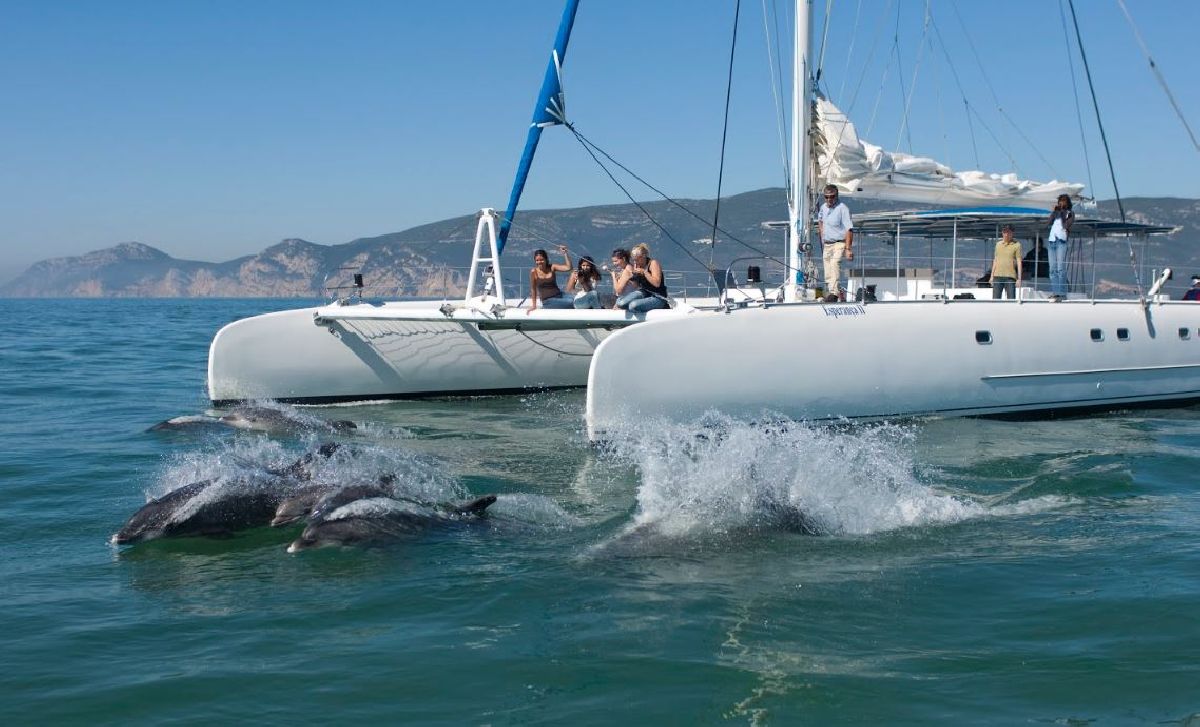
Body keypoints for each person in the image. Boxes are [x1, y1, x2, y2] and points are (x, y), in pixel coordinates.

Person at [817, 184, 854, 300]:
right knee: (827, 269)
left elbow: (849, 229)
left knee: (834, 264)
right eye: (826, 197)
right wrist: (822, 234)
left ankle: (834, 293)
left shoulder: (843, 208)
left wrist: (848, 249)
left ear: (836, 196)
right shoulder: (823, 207)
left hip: (839, 242)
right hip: (827, 243)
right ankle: (830, 290)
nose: (829, 199)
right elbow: (820, 220)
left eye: (832, 197)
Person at [614, 243, 670, 313]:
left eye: (636, 260)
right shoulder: (637, 266)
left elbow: (657, 283)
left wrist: (645, 272)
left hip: (657, 296)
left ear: (643, 256)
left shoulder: (653, 263)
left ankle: (658, 306)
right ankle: (626, 304)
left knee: (633, 305)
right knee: (620, 303)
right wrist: (632, 277)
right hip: (644, 293)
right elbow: (636, 286)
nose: (635, 262)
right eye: (634, 260)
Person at [528, 245, 574, 312]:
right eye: (537, 260)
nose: (539, 262)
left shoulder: (552, 267)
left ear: (546, 259)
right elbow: (533, 289)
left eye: (541, 260)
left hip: (560, 295)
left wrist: (565, 253)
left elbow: (569, 268)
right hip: (548, 301)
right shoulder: (533, 272)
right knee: (570, 302)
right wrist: (534, 306)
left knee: (575, 299)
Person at [1047, 194, 1074, 296]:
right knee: (1052, 269)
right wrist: (1054, 212)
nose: (1061, 203)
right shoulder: (1056, 213)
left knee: (1060, 268)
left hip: (1061, 242)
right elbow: (1049, 222)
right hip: (1052, 241)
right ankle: (1056, 292)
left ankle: (1062, 293)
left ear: (1067, 203)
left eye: (1064, 201)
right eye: (1060, 201)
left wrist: (1062, 212)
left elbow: (1066, 225)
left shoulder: (1070, 213)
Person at [990, 224, 1023, 300]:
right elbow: (995, 260)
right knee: (995, 299)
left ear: (1012, 233)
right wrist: (991, 276)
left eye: (1008, 232)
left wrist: (1019, 278)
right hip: (997, 276)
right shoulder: (998, 244)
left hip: (1010, 277)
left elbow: (1019, 261)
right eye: (1004, 232)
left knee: (1011, 299)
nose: (1006, 234)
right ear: (1002, 233)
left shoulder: (1017, 245)